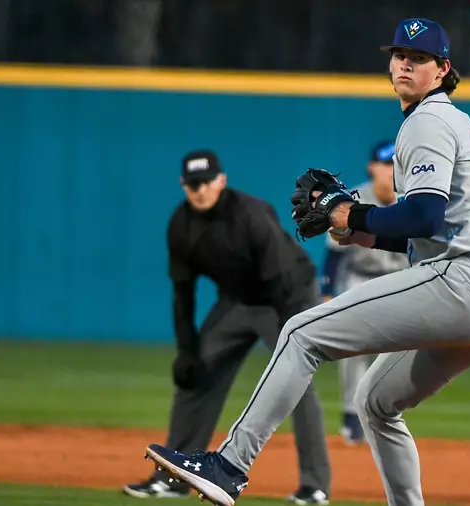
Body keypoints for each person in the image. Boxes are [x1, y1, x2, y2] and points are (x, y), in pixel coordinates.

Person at [144, 18, 470, 506]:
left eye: (420, 58)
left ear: (443, 69)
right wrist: (363, 232)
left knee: (302, 334)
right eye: (399, 55)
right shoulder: (453, 123)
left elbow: (425, 216)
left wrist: (350, 211)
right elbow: (435, 229)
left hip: (463, 282)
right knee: (376, 403)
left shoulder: (428, 121)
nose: (405, 63)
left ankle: (229, 465)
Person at [124, 150, 332, 506]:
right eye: (192, 185)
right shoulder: (180, 225)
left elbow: (279, 277)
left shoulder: (250, 214)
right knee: (194, 376)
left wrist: (293, 340)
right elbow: (182, 293)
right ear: (183, 186)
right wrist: (186, 350)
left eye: (205, 182)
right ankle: (172, 478)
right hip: (237, 302)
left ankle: (315, 486)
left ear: (221, 181)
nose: (200, 190)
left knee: (294, 384)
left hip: (287, 296)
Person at [320, 140, 410, 445]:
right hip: (361, 278)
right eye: (385, 165)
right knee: (353, 348)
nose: (389, 172)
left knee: (398, 349)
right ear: (372, 167)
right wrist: (328, 290)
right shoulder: (355, 199)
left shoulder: (412, 199)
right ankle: (350, 414)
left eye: (394, 165)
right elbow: (334, 254)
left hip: (401, 279)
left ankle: (383, 412)